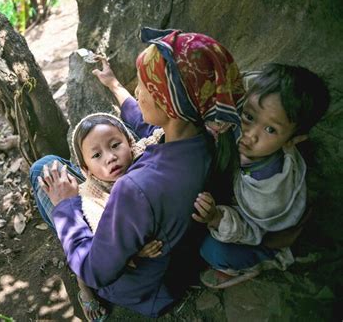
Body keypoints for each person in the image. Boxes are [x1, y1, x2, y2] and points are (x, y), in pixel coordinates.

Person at [30, 28, 245, 317]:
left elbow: (97, 270)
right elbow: (149, 129)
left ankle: (83, 281)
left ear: (168, 105)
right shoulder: (205, 137)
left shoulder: (134, 189)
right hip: (172, 257)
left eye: (144, 87)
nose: (137, 92)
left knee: (43, 169)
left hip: (138, 284)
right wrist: (114, 85)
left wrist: (66, 206)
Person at [192, 64, 331, 289]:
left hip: (264, 233)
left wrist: (217, 217)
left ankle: (259, 262)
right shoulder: (254, 100)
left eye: (270, 130)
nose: (250, 134)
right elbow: (238, 84)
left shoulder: (270, 189)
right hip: (239, 196)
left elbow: (253, 231)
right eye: (248, 116)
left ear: (292, 140)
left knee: (213, 250)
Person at [62, 112, 164, 321]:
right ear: (86, 170)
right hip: (98, 242)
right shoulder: (90, 197)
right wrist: (134, 253)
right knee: (48, 174)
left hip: (143, 282)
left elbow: (162, 134)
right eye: (97, 155)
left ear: (130, 142)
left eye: (115, 145)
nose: (110, 157)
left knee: (44, 169)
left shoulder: (141, 154)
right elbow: (102, 246)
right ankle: (84, 284)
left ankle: (84, 285)